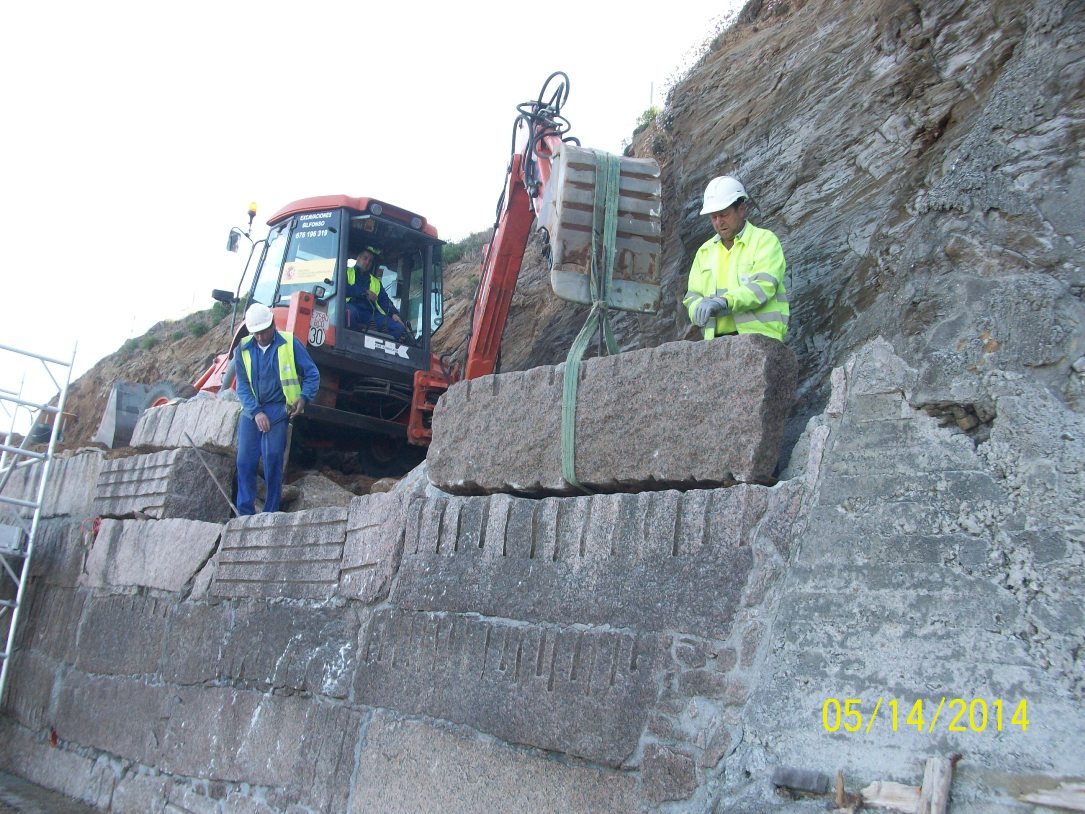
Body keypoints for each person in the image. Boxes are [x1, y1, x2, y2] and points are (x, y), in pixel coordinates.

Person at [233, 303, 320, 515]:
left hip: (278, 409)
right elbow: (242, 386)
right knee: (245, 461)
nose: (260, 337)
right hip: (252, 411)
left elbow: (312, 374)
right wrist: (255, 412)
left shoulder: (290, 343)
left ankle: (270, 512)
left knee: (273, 459)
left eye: (263, 332)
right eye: (256, 333)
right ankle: (245, 512)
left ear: (272, 324)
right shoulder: (242, 349)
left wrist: (303, 397)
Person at [682, 176, 789, 341]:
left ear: (741, 209)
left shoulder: (764, 240)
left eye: (723, 214)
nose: (719, 222)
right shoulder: (705, 251)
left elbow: (764, 286)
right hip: (715, 344)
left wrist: (724, 302)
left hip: (761, 339)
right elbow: (692, 297)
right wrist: (698, 309)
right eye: (714, 217)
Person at [345, 245, 409, 342]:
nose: (367, 262)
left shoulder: (375, 282)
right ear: (358, 258)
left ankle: (378, 348)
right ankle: (350, 341)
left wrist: (393, 314)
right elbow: (343, 288)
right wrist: (364, 292)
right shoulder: (345, 272)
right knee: (349, 313)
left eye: (370, 261)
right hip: (351, 307)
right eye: (365, 258)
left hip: (370, 314)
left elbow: (384, 300)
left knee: (398, 328)